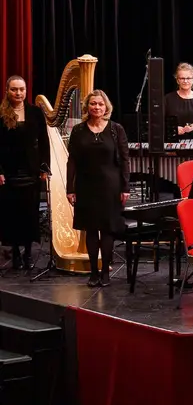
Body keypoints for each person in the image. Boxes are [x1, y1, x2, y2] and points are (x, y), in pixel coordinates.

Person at [65, 90, 128, 288]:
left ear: (106, 107)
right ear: (87, 106)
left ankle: (105, 273)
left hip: (110, 186)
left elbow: (125, 161)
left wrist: (125, 187)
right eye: (93, 104)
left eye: (100, 104)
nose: (97, 107)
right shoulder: (78, 130)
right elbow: (72, 160)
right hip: (86, 185)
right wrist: (70, 188)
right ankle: (93, 272)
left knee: (107, 230)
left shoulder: (116, 129)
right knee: (91, 230)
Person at [0, 76, 49, 271]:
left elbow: (44, 142)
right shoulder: (1, 113)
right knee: (12, 214)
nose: (18, 93)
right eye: (14, 89)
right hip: (9, 171)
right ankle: (16, 254)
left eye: (21, 89)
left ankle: (28, 253)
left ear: (26, 90)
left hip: (31, 170)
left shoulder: (35, 113)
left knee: (30, 213)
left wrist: (44, 167)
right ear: (7, 90)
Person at [163, 62, 193, 139]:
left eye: (188, 78)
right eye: (182, 78)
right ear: (177, 80)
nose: (185, 81)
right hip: (173, 142)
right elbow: (159, 122)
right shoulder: (167, 99)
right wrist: (173, 129)